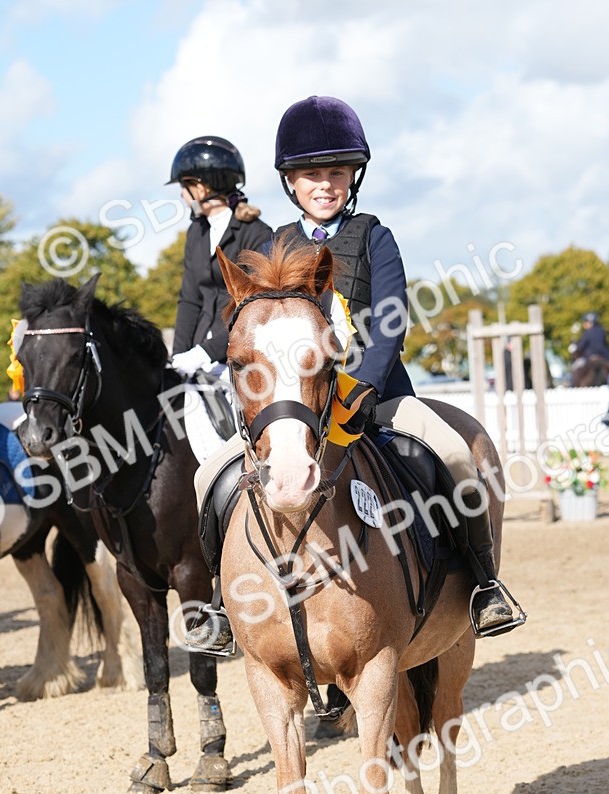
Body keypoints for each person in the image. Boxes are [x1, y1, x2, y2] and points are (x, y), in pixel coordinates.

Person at [186, 96, 521, 654]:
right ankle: (221, 606)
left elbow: (390, 321)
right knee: (208, 479)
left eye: (336, 174)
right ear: (290, 182)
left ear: (352, 177)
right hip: (296, 407)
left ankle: (484, 585)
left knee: (456, 455)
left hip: (379, 398)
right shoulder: (273, 248)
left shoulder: (373, 236)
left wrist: (363, 384)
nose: (324, 185)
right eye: (311, 175)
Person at [168, 136, 273, 380]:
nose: (182, 196)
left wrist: (206, 352)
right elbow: (189, 299)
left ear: (201, 188)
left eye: (184, 188)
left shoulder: (256, 234)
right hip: (196, 359)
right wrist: (179, 357)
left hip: (239, 361)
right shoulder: (197, 231)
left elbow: (252, 305)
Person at [570, 312, 609, 385]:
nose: (584, 324)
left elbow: (580, 347)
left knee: (575, 368)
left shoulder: (587, 332)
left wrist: (575, 347)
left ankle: (573, 387)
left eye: (585, 322)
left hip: (589, 358)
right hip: (604, 358)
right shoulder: (602, 331)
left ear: (590, 322)